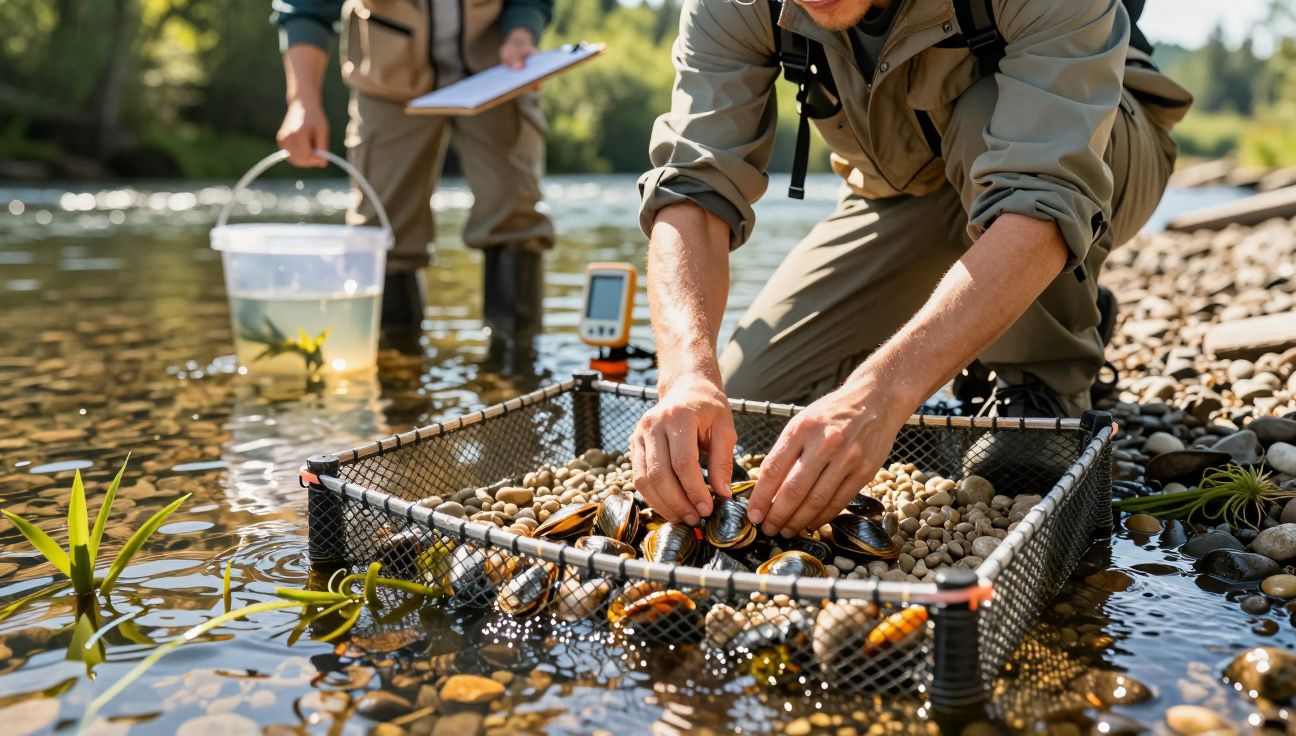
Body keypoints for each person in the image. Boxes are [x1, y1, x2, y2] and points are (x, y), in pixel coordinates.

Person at [629, 0, 1191, 538]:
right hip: (905, 192)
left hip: (1090, 159)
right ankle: (1001, 323)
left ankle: (1044, 374)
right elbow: (692, 192)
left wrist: (882, 393)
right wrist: (686, 375)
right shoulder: (736, 4)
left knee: (983, 115)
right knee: (753, 417)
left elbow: (1042, 208)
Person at [272, 0, 555, 348]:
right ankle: (396, 371)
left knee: (515, 213)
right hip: (387, 78)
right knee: (382, 233)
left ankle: (516, 365)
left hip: (500, 69)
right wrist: (303, 100)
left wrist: (522, 31)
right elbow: (307, 6)